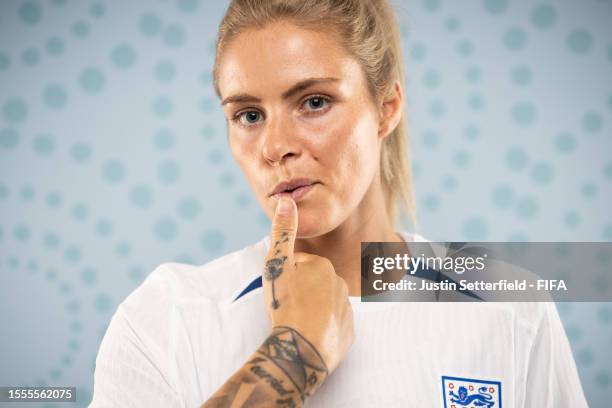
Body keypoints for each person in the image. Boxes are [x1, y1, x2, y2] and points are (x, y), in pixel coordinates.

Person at [89, 0, 588, 407]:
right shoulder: (167, 316)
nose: (275, 146)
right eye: (248, 114)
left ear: (386, 108)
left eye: (314, 102)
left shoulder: (508, 303)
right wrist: (292, 358)